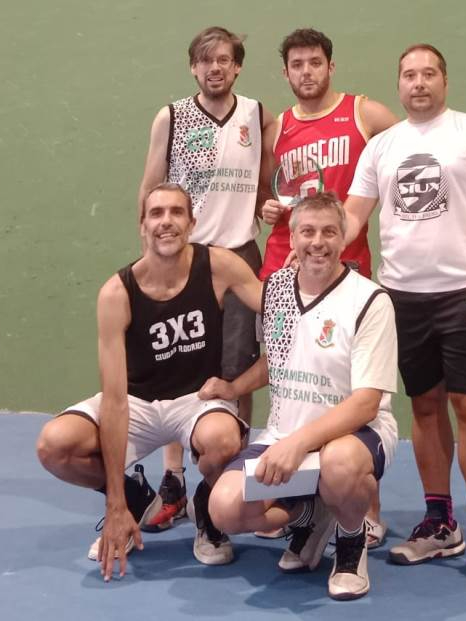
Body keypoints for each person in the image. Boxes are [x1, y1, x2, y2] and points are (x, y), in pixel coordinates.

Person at [343, 44, 466, 589]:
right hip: (402, 297)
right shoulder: (382, 146)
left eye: (428, 74)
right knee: (425, 407)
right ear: (397, 84)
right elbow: (354, 214)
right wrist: (313, 245)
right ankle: (441, 522)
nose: (418, 83)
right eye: (409, 75)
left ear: (444, 80)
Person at [35, 183, 263, 580]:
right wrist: (115, 504)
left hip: (197, 401)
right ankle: (138, 499)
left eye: (176, 212)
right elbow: (115, 399)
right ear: (142, 226)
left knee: (223, 440)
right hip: (136, 403)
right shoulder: (116, 293)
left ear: (192, 224)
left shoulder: (220, 266)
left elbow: (284, 316)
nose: (166, 222)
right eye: (156, 214)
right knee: (55, 446)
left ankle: (207, 514)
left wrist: (237, 387)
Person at [200, 193, 399, 601]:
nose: (318, 241)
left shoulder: (371, 301)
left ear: (344, 239)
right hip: (284, 435)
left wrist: (298, 444)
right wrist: (234, 388)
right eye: (307, 231)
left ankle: (349, 542)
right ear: (292, 238)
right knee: (225, 507)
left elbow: (365, 403)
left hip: (356, 436)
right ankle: (310, 513)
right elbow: (278, 355)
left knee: (339, 465)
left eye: (329, 231)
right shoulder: (275, 288)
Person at [258, 27, 398, 548]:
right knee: (296, 381)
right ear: (286, 72)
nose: (307, 72)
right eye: (297, 65)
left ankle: (364, 510)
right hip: (286, 272)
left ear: (330, 66)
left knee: (353, 390)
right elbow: (266, 196)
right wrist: (267, 210)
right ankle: (300, 506)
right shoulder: (277, 129)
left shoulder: (365, 113)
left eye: (315, 62)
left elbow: (407, 149)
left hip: (346, 273)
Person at [136, 26, 275, 531]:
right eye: (205, 60)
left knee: (237, 374)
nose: (214, 67)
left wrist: (271, 207)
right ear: (193, 68)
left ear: (237, 66)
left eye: (223, 60)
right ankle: (173, 480)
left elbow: (265, 185)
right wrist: (151, 260)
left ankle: (230, 480)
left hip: (239, 256)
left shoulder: (258, 116)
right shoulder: (171, 116)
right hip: (184, 261)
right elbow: (151, 187)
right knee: (179, 371)